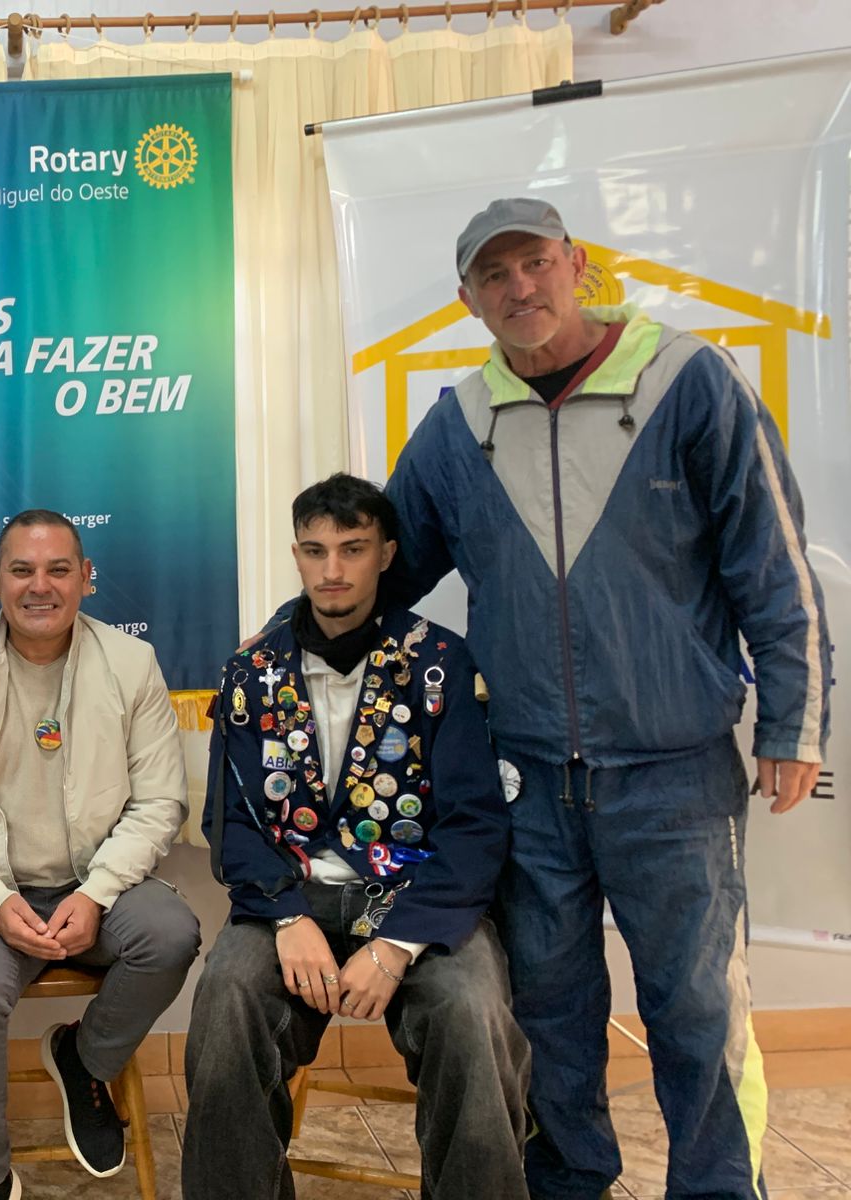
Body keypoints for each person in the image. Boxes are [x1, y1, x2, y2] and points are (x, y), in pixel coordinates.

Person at [385, 197, 831, 1199]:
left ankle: (720, 1188)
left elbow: (772, 564)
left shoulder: (689, 382)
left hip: (674, 775)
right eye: (494, 275)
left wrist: (795, 719)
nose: (520, 288)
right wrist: (284, 647)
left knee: (697, 1011)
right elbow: (384, 569)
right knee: (548, 1012)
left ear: (575, 263)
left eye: (535, 263)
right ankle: (568, 1181)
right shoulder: (458, 425)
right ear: (467, 299)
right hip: (527, 780)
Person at [184, 474, 527, 1200]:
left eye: (353, 548)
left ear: (386, 554)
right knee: (226, 1000)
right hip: (289, 898)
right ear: (296, 556)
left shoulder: (440, 661)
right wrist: (287, 918)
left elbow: (474, 825)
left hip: (415, 897)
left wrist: (397, 946)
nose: (332, 569)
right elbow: (232, 821)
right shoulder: (251, 671)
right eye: (315, 551)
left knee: (470, 1013)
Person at [0, 509, 201, 1200]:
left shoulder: (131, 663)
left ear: (86, 578)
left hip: (101, 887)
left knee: (171, 934)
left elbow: (160, 801)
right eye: (23, 570)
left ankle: (84, 1059)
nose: (41, 586)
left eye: (59, 569)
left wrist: (95, 894)